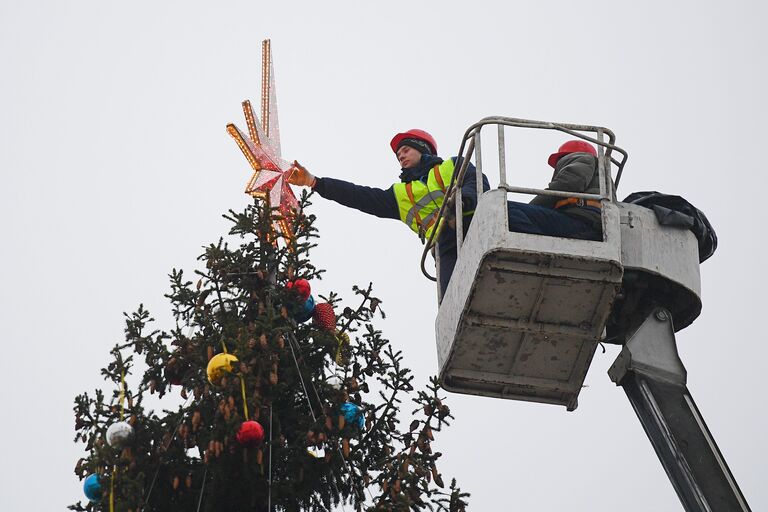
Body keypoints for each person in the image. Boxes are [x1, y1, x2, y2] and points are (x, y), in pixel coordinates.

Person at [288, 129, 489, 297]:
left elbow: (477, 182)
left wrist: (460, 203)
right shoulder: (400, 196)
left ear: (423, 149)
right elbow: (359, 195)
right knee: (453, 301)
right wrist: (314, 182)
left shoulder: (451, 165)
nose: (401, 156)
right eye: (398, 154)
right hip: (446, 248)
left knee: (506, 210)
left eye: (406, 149)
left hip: (477, 222)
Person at [504, 139, 604, 241]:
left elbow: (566, 185)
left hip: (580, 221)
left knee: (504, 209)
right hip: (592, 224)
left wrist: (530, 208)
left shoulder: (584, 158)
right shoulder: (602, 177)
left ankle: (537, 245)